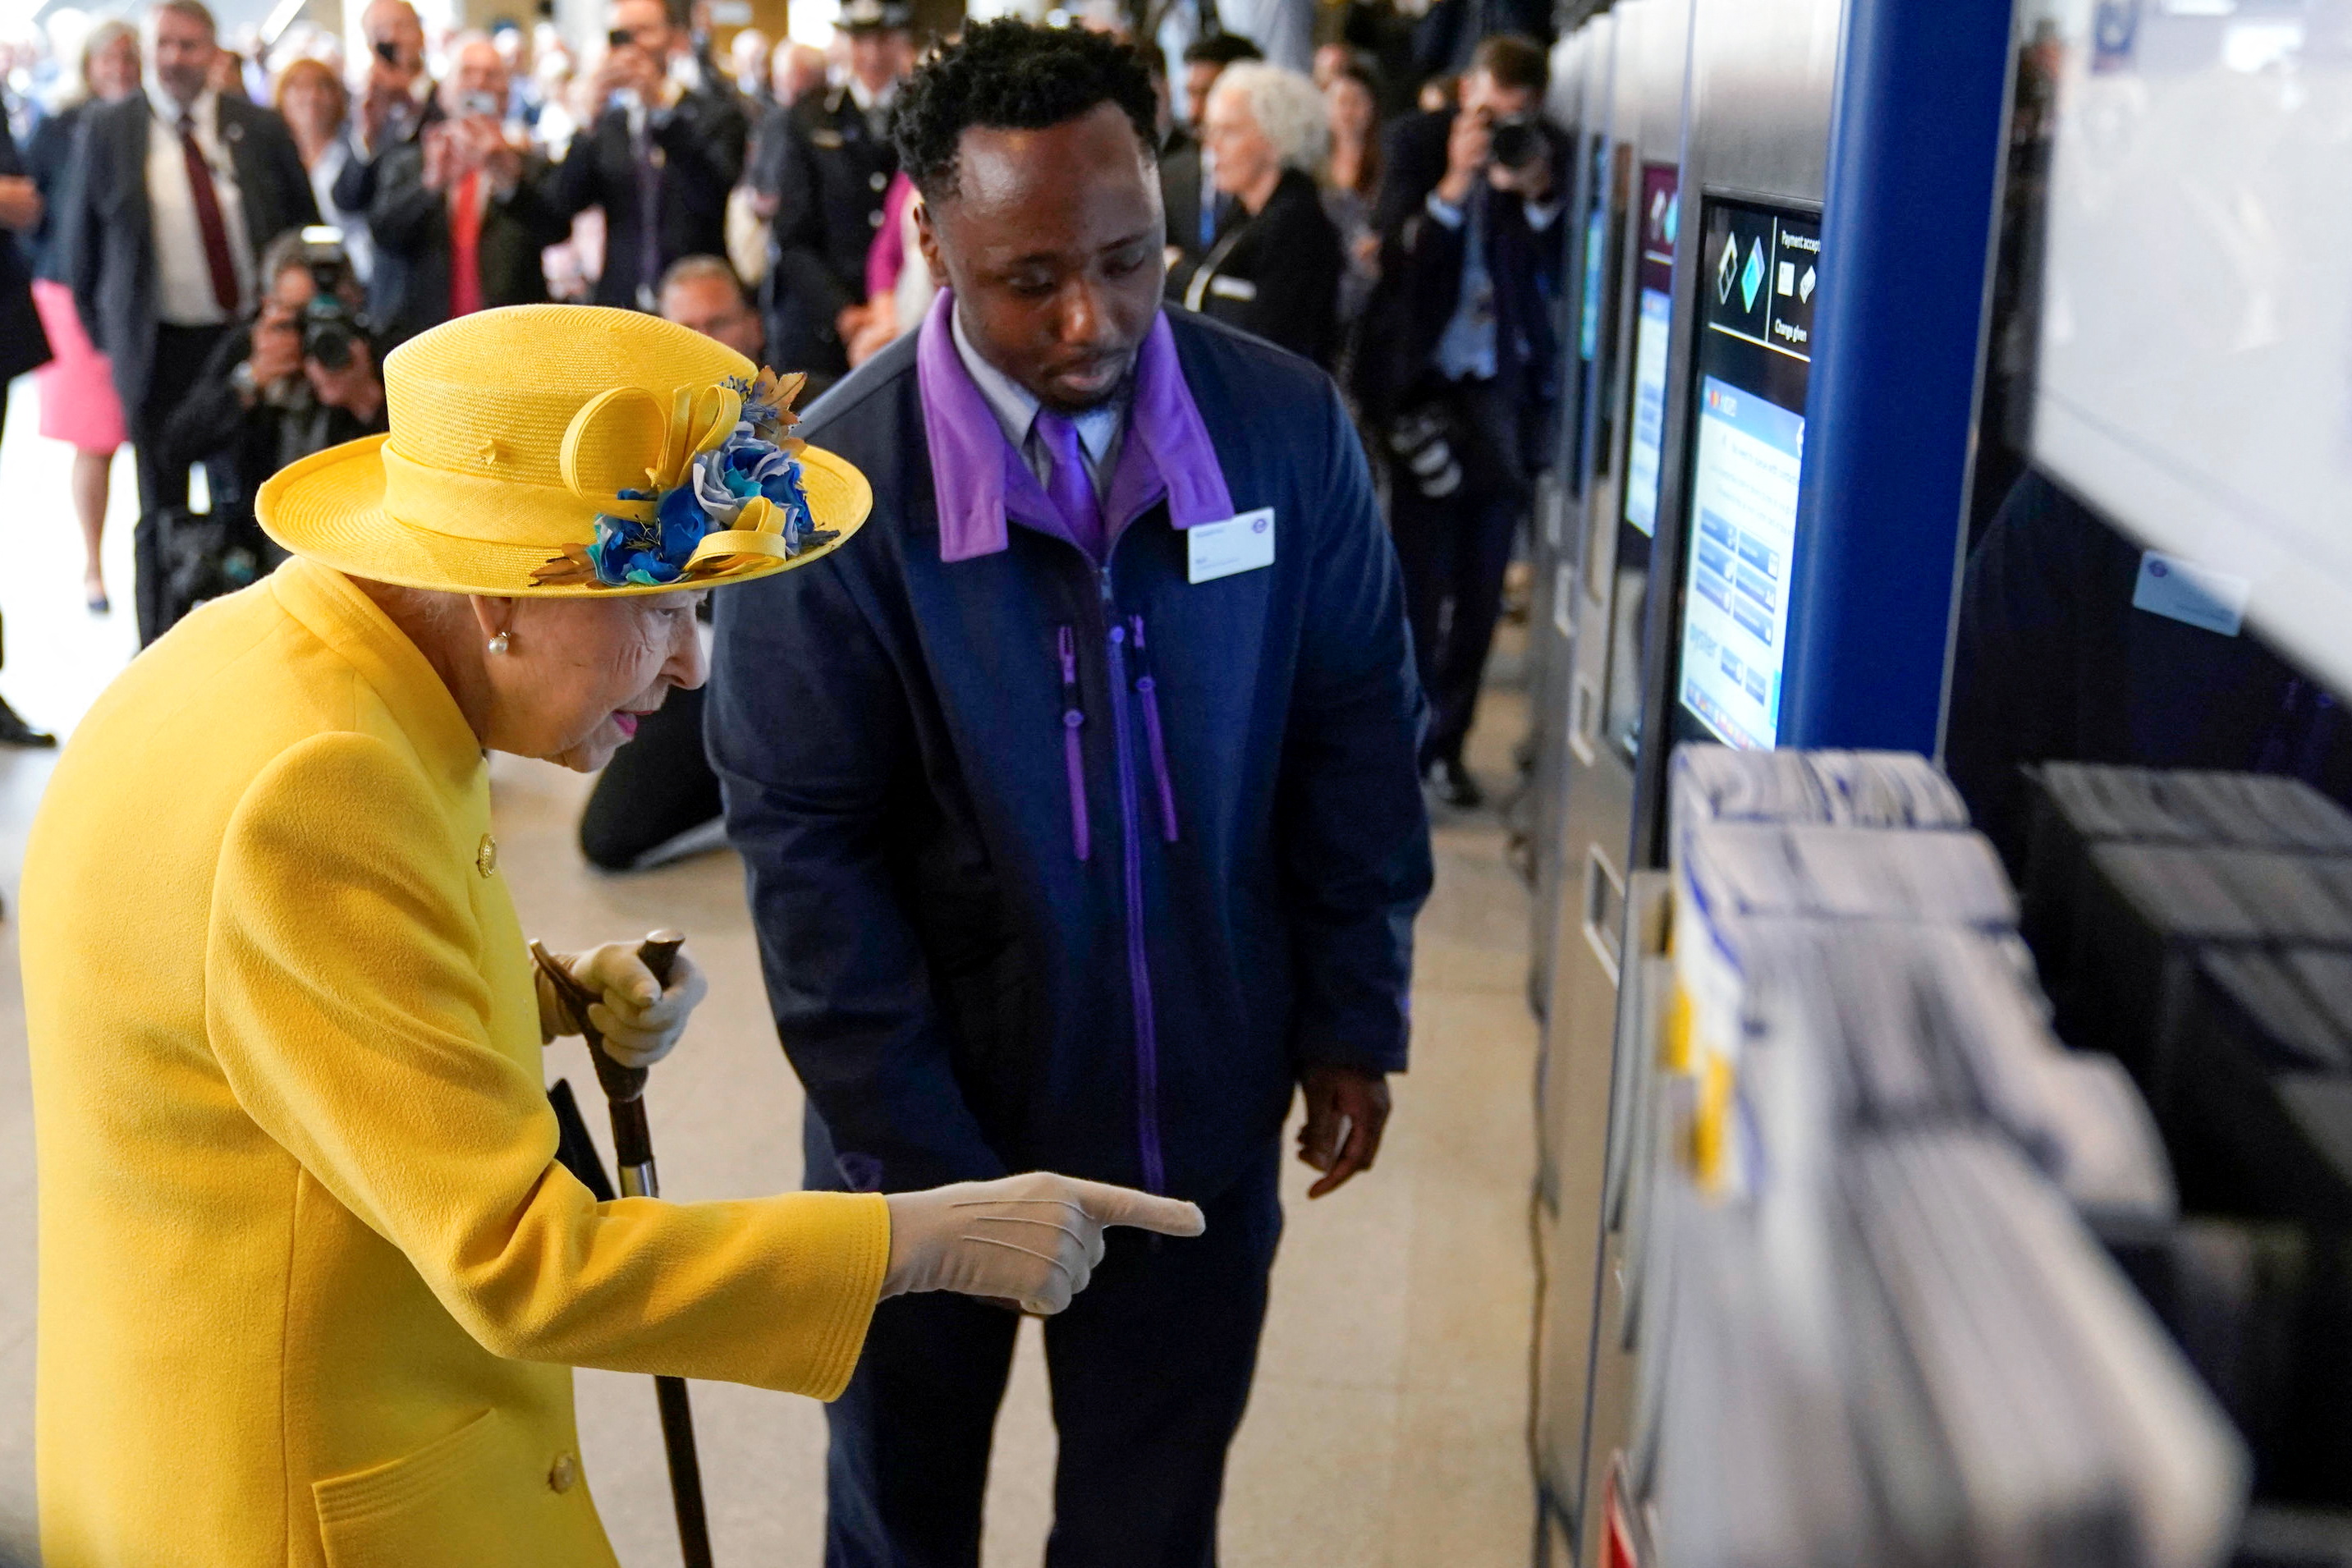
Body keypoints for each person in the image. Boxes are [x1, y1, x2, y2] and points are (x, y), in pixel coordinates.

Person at [21, 301, 1203, 1565]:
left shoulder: (270, 655)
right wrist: (920, 1237)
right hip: (302, 1493)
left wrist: (539, 993)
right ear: (498, 598)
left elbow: (253, 1000)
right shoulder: (324, 786)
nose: (694, 665)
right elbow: (528, 1262)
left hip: (171, 1435)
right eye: (663, 605)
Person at [708, 23, 1431, 1561]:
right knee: (902, 1524)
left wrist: (1354, 1013)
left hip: (1193, 1143)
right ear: (938, 242)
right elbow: (808, 854)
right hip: (917, 1159)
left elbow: (1356, 727)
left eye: (1131, 257)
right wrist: (931, 1180)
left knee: (1149, 1525)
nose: (1091, 315)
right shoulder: (830, 502)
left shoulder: (1286, 436)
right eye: (1031, 278)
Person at [63, 0, 319, 645]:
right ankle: (159, 653)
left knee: (258, 498)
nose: (176, 58)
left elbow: (303, 225)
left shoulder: (255, 127)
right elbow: (81, 254)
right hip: (156, 351)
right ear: (148, 50)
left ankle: (264, 644)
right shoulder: (107, 129)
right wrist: (115, 346)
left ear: (212, 52)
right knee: (161, 512)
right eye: (165, 45)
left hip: (247, 342)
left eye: (190, 45)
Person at [1357, 32, 1566, 808]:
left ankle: (1447, 744)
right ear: (1465, 93)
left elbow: (1560, 256)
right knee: (1417, 584)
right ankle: (1402, 743)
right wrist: (1454, 183)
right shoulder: (1418, 142)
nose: (1505, 125)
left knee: (1481, 591)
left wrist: (1536, 189)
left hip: (1500, 396)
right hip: (1427, 392)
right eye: (1491, 112)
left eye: (1519, 115)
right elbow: (1398, 258)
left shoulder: (1540, 152)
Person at [577, 254, 761, 873]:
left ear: (753, 329)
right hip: (687, 663)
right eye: (687, 328)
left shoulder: (808, 418)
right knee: (609, 840)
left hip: (785, 663)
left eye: (720, 323)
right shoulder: (632, 434)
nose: (705, 344)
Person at [154, 229, 383, 637]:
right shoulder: (248, 349)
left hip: (356, 555)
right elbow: (174, 447)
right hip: (255, 556)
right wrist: (252, 380)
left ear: (355, 301)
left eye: (327, 312)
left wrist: (365, 399)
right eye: (298, 317)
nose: (315, 332)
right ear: (267, 307)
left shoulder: (378, 347)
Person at [25, 18, 138, 617]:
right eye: (109, 57)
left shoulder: (151, 123)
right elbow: (33, 209)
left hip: (138, 299)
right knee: (95, 442)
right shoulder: (60, 125)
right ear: (89, 63)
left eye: (129, 56)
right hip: (73, 297)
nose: (119, 67)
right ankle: (93, 566)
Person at [367, 34, 569, 350]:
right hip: (425, 342)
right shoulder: (408, 162)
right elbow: (384, 236)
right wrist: (430, 186)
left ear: (506, 94)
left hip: (511, 341)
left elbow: (556, 230)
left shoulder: (529, 166)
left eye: (491, 75)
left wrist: (509, 181)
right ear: (445, 92)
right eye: (467, 72)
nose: (479, 83)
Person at [553, 0, 746, 312]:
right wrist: (586, 124)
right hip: (622, 301)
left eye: (644, 31)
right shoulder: (609, 123)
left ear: (677, 38)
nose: (633, 45)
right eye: (621, 35)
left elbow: (713, 191)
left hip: (697, 304)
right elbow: (565, 203)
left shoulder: (715, 113)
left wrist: (661, 110)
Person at [763, 0, 911, 386]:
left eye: (884, 39)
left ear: (901, 41)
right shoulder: (812, 116)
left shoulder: (923, 112)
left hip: (909, 317)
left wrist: (899, 309)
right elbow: (791, 235)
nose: (873, 54)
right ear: (845, 43)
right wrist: (845, 313)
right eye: (862, 40)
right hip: (826, 328)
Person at [1183, 61, 1343, 367]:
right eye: (1210, 131)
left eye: (1227, 132)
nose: (1212, 147)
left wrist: (1179, 276)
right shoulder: (1244, 214)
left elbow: (1269, 342)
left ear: (1276, 140)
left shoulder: (1298, 226)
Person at [328, 0, 440, 270]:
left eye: (400, 26)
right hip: (389, 278)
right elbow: (347, 199)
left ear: (421, 35)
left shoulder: (445, 100)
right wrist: (366, 139)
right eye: (379, 32)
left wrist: (410, 97)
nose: (391, 38)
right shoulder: (367, 109)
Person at [1160, 31, 1259, 298]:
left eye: (1209, 95)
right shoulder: (1166, 176)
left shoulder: (1272, 189)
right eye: (1190, 94)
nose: (1193, 112)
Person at [275, 57, 368, 281]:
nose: (312, 97)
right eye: (299, 87)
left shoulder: (357, 149)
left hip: (358, 272)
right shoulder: (272, 156)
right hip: (295, 277)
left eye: (322, 86)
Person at [1321, 51, 1382, 330]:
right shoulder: (1313, 165)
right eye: (1340, 102)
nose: (1347, 112)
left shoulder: (1386, 165)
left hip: (1373, 285)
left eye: (1356, 102)